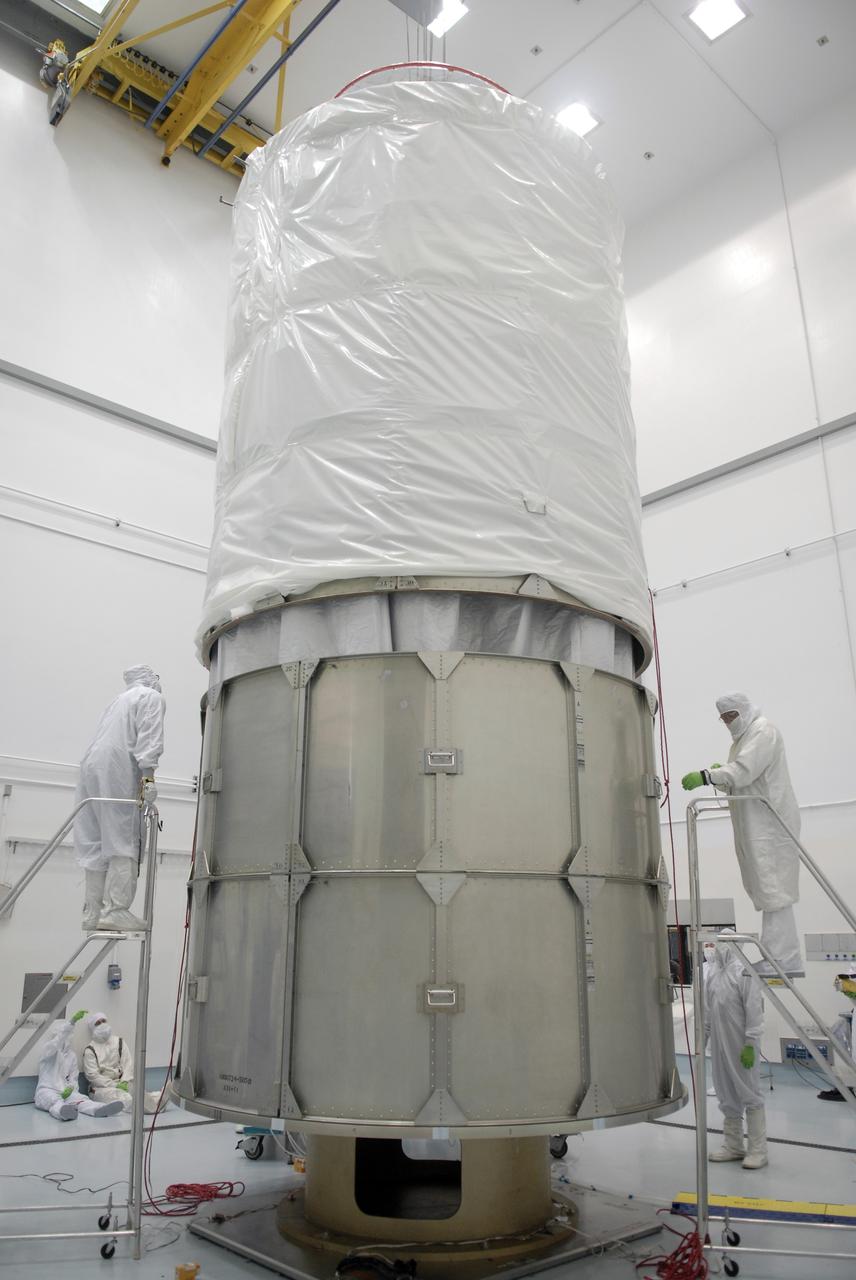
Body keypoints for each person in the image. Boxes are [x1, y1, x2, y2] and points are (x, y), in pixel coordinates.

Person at [681, 693, 803, 976]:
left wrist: (707, 776)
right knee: (765, 889)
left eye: (730, 716)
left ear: (744, 711)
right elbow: (740, 781)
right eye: (723, 719)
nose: (727, 723)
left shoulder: (763, 731)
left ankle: (783, 958)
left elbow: (744, 772)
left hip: (770, 826)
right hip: (755, 824)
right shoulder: (741, 742)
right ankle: (778, 956)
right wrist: (721, 776)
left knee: (774, 891)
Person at [74, 665, 165, 932]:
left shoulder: (118, 700)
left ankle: (93, 913)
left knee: (96, 840)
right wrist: (148, 779)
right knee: (124, 837)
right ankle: (117, 910)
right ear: (151, 679)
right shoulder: (150, 697)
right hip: (118, 768)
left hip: (91, 767)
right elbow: (150, 740)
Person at [704, 933, 767, 1169]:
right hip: (720, 1045)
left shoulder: (744, 972)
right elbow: (708, 1010)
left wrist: (751, 1044)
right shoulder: (713, 973)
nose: (716, 947)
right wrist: (704, 1037)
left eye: (721, 942)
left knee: (748, 1091)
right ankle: (734, 1145)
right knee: (725, 1091)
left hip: (742, 1045)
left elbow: (754, 1011)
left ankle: (758, 1150)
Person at [34, 1017, 123, 1122]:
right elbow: (57, 1042)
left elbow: (73, 1078)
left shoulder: (71, 1056)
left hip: (66, 1093)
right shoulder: (49, 1051)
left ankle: (98, 1108)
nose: (68, 1038)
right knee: (54, 1101)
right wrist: (71, 1023)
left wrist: (71, 1089)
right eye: (66, 1034)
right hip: (47, 1090)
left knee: (81, 1099)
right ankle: (64, 1111)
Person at [81, 1011, 163, 1114]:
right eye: (98, 1023)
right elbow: (93, 1076)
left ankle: (156, 1100)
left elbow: (128, 1064)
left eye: (104, 1021)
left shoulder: (119, 1042)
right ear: (93, 1028)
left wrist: (124, 1081)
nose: (102, 1024)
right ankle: (155, 1103)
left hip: (123, 1082)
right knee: (124, 1098)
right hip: (101, 1089)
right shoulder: (90, 1050)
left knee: (137, 1093)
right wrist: (114, 1085)